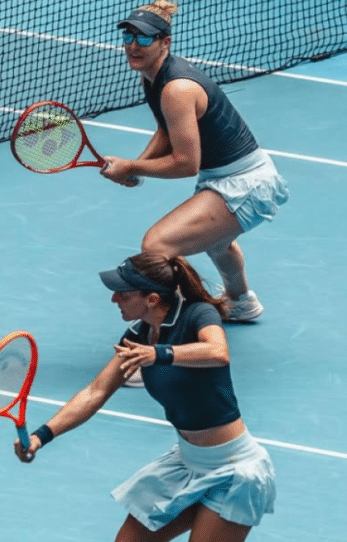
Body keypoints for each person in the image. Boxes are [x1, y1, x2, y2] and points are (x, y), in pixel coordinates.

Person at [15, 252, 276, 542]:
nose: (114, 299)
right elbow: (95, 392)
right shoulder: (138, 336)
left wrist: (159, 354)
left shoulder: (197, 314)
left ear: (151, 299)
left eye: (122, 293)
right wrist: (42, 434)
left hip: (234, 473)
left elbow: (217, 352)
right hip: (187, 464)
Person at [101, 1, 290, 323]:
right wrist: (138, 165)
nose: (134, 46)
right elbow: (166, 128)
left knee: (157, 244)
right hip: (226, 176)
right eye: (129, 37)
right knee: (218, 243)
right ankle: (241, 302)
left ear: (165, 42)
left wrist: (132, 167)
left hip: (246, 183)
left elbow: (186, 163)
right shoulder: (152, 75)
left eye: (144, 39)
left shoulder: (177, 88)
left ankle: (170, 329)